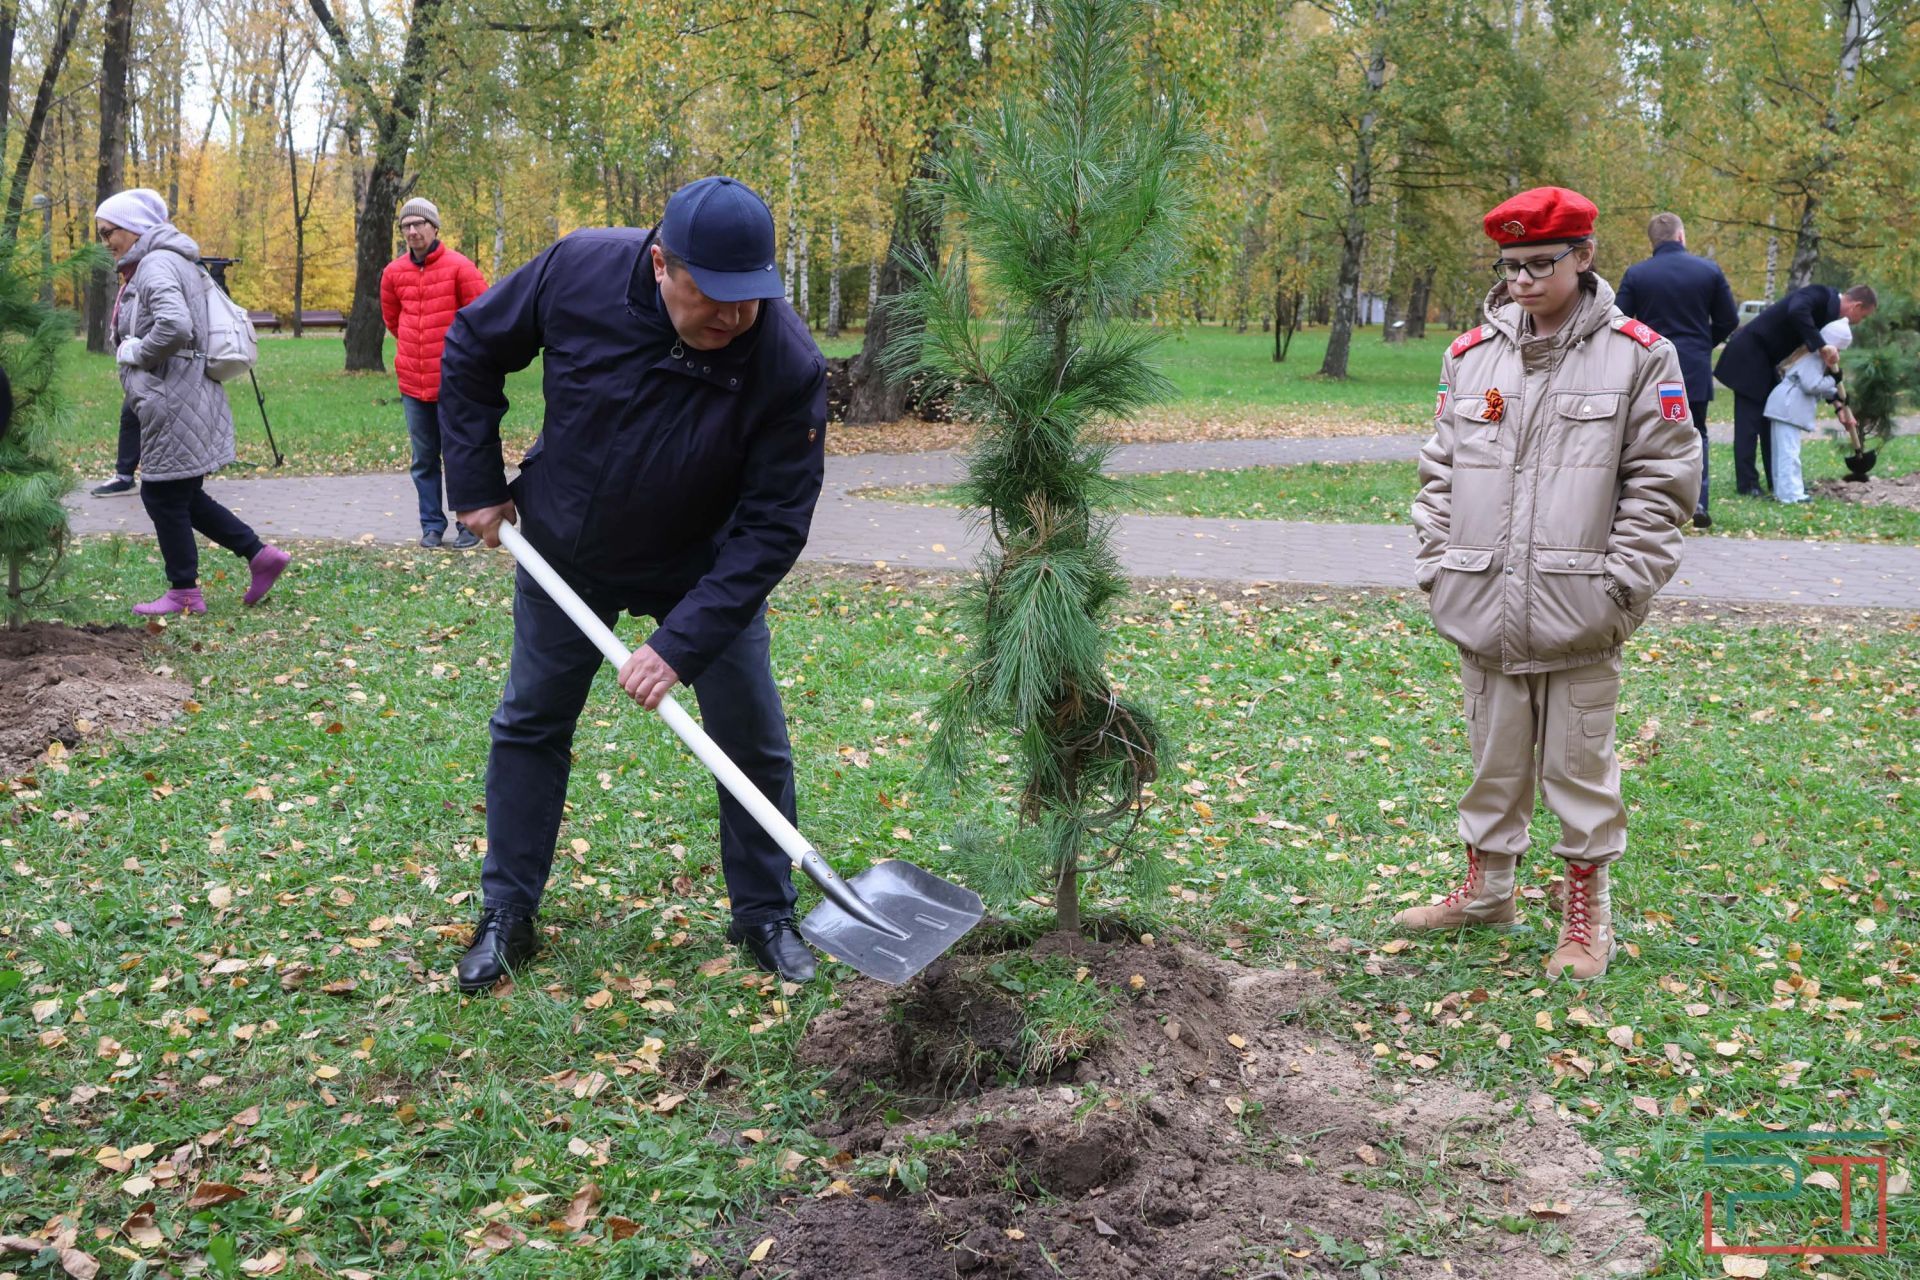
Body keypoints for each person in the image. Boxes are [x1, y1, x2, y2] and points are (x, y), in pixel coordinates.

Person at [436, 176, 828, 993]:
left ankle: (766, 913)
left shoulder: (787, 363)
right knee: (531, 723)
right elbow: (473, 345)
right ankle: (508, 911)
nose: (733, 316)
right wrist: (474, 481)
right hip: (567, 550)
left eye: (750, 296)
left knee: (750, 738)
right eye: (711, 294)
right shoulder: (578, 270)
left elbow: (773, 525)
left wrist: (681, 644)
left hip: (703, 567)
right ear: (660, 265)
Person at [1402, 186, 1700, 982]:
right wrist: (1439, 568)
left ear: (1585, 256)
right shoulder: (1472, 357)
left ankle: (1585, 916)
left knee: (1578, 769)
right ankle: (1487, 891)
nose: (1522, 281)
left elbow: (1664, 484)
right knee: (1492, 761)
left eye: (1540, 264)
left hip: (1581, 610)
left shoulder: (1640, 356)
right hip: (1482, 602)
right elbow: (1440, 472)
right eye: (1510, 266)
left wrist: (1621, 587)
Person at [97, 188, 290, 616]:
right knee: (182, 494)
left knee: (161, 496)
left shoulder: (156, 264)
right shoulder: (170, 260)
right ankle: (260, 555)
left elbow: (175, 325)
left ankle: (184, 590)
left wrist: (138, 352)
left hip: (171, 397)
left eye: (109, 232)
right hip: (182, 392)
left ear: (134, 228)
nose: (105, 241)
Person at [1613, 212, 1738, 528]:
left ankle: (1652, 507)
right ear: (1681, 236)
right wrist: (1703, 344)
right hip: (1693, 366)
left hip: (1651, 370)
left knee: (1649, 435)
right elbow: (1729, 319)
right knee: (1696, 433)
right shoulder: (1708, 271)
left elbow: (1618, 321)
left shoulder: (1637, 274)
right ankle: (1698, 502)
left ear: (1652, 241)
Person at [380, 196, 488, 549]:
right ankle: (431, 526)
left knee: (458, 455)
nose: (412, 231)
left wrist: (459, 358)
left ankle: (468, 525)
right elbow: (393, 321)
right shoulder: (393, 273)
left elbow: (482, 316)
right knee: (424, 459)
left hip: (454, 382)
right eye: (406, 226)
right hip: (413, 382)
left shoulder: (460, 267)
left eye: (419, 224)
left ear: (434, 227)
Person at [1715, 282, 1875, 497]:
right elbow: (1796, 310)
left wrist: (1839, 407)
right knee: (1749, 425)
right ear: (1856, 306)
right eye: (1862, 317)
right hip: (1749, 355)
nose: (1859, 322)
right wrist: (1821, 345)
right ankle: (1748, 485)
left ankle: (1778, 482)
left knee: (1768, 426)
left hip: (1768, 362)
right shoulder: (1820, 294)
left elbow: (1823, 370)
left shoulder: (1830, 320)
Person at [1764, 317, 1852, 504]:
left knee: (1782, 452)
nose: (1839, 355)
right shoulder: (1814, 359)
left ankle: (1783, 491)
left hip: (1784, 405)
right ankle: (1792, 495)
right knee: (1789, 453)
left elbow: (1815, 385)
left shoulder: (1813, 357)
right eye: (1839, 350)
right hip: (1788, 407)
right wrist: (1834, 380)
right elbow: (1811, 385)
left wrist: (1835, 393)